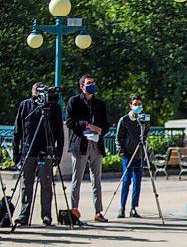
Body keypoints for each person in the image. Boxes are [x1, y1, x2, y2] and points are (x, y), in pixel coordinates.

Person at [12, 82, 64, 226]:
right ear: (33, 93)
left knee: (46, 184)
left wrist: (57, 153)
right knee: (26, 185)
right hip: (28, 151)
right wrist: (16, 153)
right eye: (39, 91)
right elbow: (17, 130)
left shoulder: (54, 108)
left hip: (46, 150)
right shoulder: (25, 106)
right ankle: (24, 215)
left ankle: (46, 215)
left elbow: (59, 132)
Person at [66, 74, 110, 223]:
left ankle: (98, 211)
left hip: (96, 145)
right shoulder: (74, 101)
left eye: (93, 82)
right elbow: (70, 122)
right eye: (89, 83)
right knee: (76, 180)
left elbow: (106, 125)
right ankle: (74, 210)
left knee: (96, 180)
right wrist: (87, 125)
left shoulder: (100, 104)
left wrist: (100, 130)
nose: (92, 85)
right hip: (80, 144)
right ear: (82, 86)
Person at [115, 95, 150, 218]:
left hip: (139, 154)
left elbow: (145, 134)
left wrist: (144, 125)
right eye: (135, 104)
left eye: (140, 104)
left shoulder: (143, 120)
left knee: (138, 181)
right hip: (128, 154)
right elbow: (118, 138)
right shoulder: (124, 120)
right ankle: (122, 207)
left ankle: (134, 207)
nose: (138, 106)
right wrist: (122, 151)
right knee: (126, 181)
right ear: (130, 105)